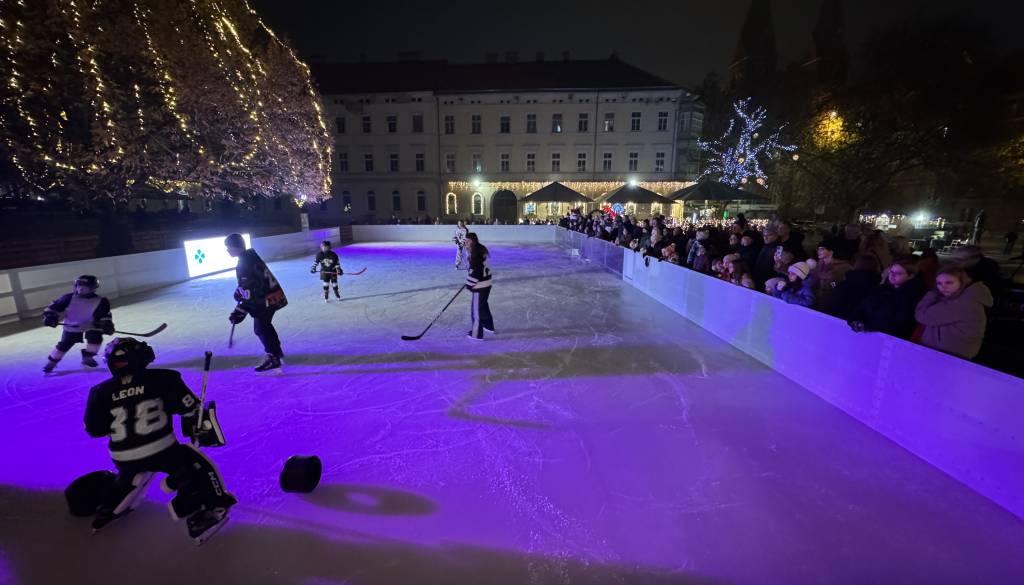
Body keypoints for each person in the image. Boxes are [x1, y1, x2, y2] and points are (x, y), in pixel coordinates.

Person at [84, 337, 234, 544]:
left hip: (122, 457)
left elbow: (95, 429)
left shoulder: (99, 392)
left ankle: (112, 502)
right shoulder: (164, 378)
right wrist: (198, 422)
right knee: (193, 464)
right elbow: (189, 409)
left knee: (128, 472)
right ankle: (205, 511)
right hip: (162, 450)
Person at [225, 233, 288, 372]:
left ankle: (273, 357)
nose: (227, 250)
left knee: (260, 329)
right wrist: (239, 290)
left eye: (228, 247)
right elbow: (250, 283)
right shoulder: (251, 256)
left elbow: (249, 292)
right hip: (272, 297)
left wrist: (239, 311)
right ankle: (276, 351)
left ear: (236, 247)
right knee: (265, 325)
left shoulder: (243, 263)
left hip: (265, 300)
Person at [914, 266, 993, 360]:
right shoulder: (959, 297)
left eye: (949, 282)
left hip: (952, 355)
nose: (943, 287)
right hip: (945, 352)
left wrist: (932, 293)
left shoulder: (964, 303)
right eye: (939, 283)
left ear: (962, 282)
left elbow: (923, 316)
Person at [42, 275, 115, 373]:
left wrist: (106, 324)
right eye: (78, 286)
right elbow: (53, 308)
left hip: (91, 325)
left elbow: (105, 314)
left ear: (92, 288)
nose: (80, 288)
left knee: (95, 339)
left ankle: (88, 357)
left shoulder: (101, 301)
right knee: (64, 345)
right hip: (72, 325)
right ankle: (52, 362)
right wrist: (50, 316)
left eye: (84, 286)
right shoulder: (68, 298)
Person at [848, 256, 925, 339]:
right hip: (866, 335)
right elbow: (863, 306)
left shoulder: (912, 297)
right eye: (891, 271)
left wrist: (868, 326)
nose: (892, 275)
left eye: (898, 273)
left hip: (888, 341)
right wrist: (855, 318)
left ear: (911, 276)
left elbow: (900, 324)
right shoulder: (881, 289)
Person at [822, 254, 881, 320]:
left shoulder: (845, 284)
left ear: (857, 265)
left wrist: (832, 283)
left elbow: (834, 293)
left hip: (837, 321)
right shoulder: (878, 290)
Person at [464, 232, 494, 340]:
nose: (465, 243)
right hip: (487, 283)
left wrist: (469, 284)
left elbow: (477, 271)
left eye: (466, 241)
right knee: (483, 306)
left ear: (472, 241)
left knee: (476, 310)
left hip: (480, 285)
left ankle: (477, 334)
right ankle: (489, 326)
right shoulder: (481, 248)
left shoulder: (475, 253)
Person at [811, 240, 851, 310]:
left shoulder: (842, 267)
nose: (818, 251)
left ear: (831, 251)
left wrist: (832, 282)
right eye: (818, 249)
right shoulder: (820, 263)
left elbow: (837, 286)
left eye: (822, 249)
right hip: (816, 300)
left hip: (830, 303)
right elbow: (814, 279)